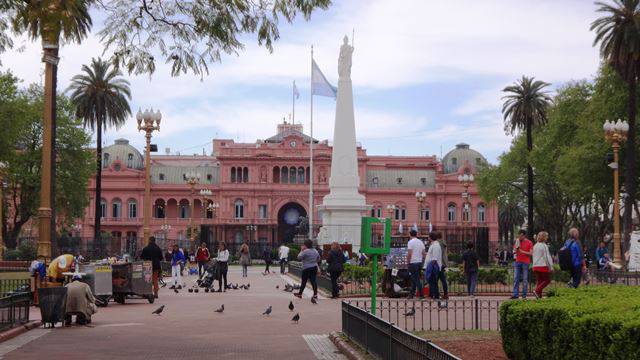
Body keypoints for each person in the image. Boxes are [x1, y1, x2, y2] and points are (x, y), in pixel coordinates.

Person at [512, 229, 533, 299]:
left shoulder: (529, 242)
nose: (519, 237)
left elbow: (531, 253)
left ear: (524, 236)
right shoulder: (517, 241)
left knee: (525, 279)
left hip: (525, 262)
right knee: (516, 278)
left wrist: (521, 251)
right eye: (519, 235)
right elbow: (514, 251)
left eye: (521, 236)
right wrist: (516, 251)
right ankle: (515, 295)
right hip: (517, 261)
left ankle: (524, 295)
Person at [532, 231, 554, 299]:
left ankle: (539, 296)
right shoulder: (544, 245)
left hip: (535, 266)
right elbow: (547, 257)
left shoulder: (535, 245)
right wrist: (551, 267)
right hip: (542, 266)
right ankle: (536, 291)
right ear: (544, 238)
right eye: (546, 236)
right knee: (547, 280)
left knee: (540, 281)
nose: (547, 238)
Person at [407, 229, 426, 299]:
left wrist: (408, 262)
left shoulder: (410, 242)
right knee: (414, 279)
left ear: (410, 234)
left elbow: (409, 253)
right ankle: (411, 294)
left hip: (413, 262)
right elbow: (424, 253)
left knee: (416, 279)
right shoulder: (421, 242)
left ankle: (421, 294)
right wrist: (423, 261)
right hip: (419, 262)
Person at [424, 233, 442, 300]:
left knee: (433, 281)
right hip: (432, 266)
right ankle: (431, 295)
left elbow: (434, 258)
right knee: (431, 282)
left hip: (433, 266)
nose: (428, 238)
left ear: (431, 238)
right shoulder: (433, 245)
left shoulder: (436, 246)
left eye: (428, 237)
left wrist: (430, 267)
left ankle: (435, 296)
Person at [437, 232, 449, 300]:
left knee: (435, 280)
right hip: (443, 263)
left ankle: (437, 294)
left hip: (438, 263)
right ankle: (445, 294)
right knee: (443, 280)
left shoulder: (437, 243)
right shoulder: (443, 242)